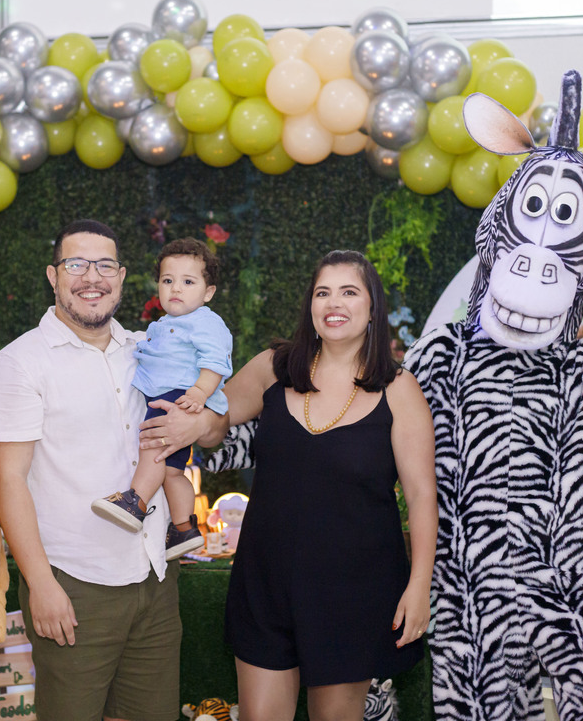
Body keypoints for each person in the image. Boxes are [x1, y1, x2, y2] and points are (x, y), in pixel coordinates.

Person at [143, 250, 438, 721]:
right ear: (310, 305)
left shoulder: (399, 389)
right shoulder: (273, 367)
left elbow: (422, 496)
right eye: (323, 292)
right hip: (266, 580)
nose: (333, 303)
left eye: (349, 292)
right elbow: (216, 424)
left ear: (372, 308)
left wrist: (419, 585)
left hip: (354, 589)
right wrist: (190, 421)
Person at [0, 219, 182, 721]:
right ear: (53, 276)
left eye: (105, 265)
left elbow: (208, 416)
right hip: (74, 584)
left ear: (122, 277)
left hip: (154, 575)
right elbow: (7, 480)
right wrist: (41, 585)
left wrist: (198, 420)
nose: (92, 277)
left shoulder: (148, 350)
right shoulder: (20, 363)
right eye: (76, 264)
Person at [92, 237, 233, 561]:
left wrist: (199, 392)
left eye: (188, 282)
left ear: (208, 292)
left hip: (179, 395)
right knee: (172, 471)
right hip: (176, 395)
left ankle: (136, 502)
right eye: (168, 281)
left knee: (153, 446)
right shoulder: (164, 325)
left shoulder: (205, 322)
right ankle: (183, 528)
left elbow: (216, 360)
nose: (176, 288)